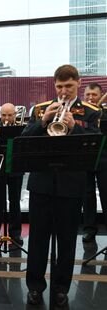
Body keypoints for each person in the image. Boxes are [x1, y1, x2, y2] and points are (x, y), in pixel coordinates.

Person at [22, 64, 101, 307]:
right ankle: (35, 287)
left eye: (68, 86)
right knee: (37, 239)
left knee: (67, 240)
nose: (64, 91)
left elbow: (96, 145)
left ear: (78, 83)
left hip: (71, 185)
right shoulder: (40, 109)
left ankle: (61, 288)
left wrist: (75, 127)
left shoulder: (90, 111)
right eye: (59, 86)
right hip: (41, 184)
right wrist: (43, 122)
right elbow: (25, 141)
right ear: (54, 86)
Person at [0, 103, 24, 245]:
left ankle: (15, 233)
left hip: (15, 167)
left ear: (15, 115)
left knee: (15, 202)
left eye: (10, 115)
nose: (6, 118)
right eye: (3, 115)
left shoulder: (21, 128)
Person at [82, 83, 107, 243]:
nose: (90, 98)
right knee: (87, 195)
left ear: (100, 95)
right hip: (85, 159)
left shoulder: (105, 114)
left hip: (104, 159)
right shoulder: (80, 113)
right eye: (88, 95)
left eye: (94, 95)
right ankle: (89, 229)